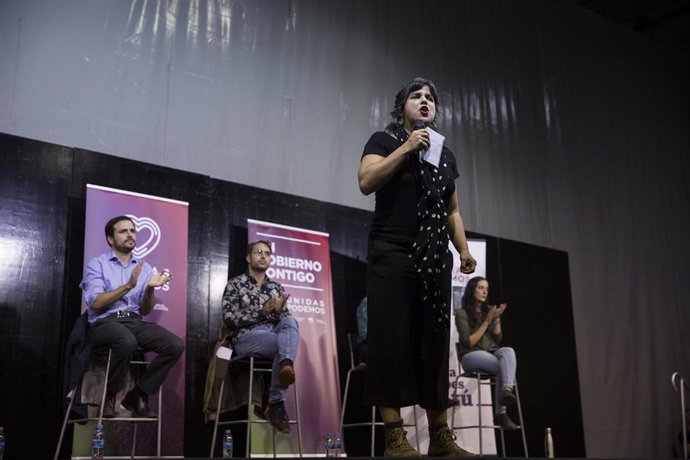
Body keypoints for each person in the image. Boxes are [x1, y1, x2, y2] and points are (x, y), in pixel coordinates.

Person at [358, 77, 477, 457]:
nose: (425, 101)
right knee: (390, 342)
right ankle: (395, 434)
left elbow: (452, 210)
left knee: (434, 343)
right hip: (392, 253)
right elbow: (366, 181)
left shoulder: (444, 153)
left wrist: (463, 250)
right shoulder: (384, 140)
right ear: (402, 107)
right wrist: (407, 148)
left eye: (430, 98)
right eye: (416, 96)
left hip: (434, 259)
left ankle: (440, 436)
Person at [80, 215, 185, 418]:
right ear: (111, 239)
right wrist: (128, 285)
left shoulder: (144, 268)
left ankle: (137, 394)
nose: (130, 234)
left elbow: (145, 310)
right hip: (105, 322)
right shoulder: (98, 264)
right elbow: (96, 303)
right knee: (126, 341)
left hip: (134, 321)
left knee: (174, 345)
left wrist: (150, 290)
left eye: (132, 230)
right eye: (123, 231)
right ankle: (110, 396)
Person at [222, 240, 299, 434]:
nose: (264, 256)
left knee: (291, 323)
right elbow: (229, 319)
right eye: (258, 252)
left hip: (272, 337)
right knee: (284, 343)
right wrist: (262, 312)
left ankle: (285, 366)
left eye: (267, 253)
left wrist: (280, 312)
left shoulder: (276, 287)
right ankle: (276, 401)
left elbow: (283, 323)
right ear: (249, 257)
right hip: (247, 338)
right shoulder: (235, 284)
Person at [455, 276, 519, 430]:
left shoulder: (488, 311)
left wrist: (496, 319)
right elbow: (468, 342)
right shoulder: (462, 313)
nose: (485, 291)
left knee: (508, 351)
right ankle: (501, 414)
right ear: (472, 290)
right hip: (470, 356)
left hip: (490, 353)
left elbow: (498, 338)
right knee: (503, 367)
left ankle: (507, 391)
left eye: (487, 289)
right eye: (481, 288)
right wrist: (487, 321)